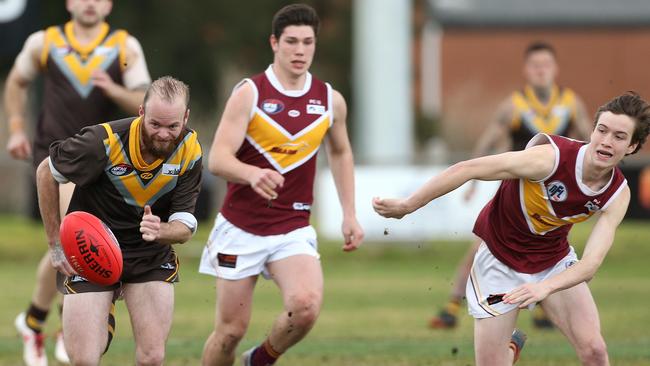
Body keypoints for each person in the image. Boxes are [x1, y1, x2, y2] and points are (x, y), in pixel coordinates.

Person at [374, 92, 650, 365]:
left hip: (553, 262)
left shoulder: (617, 194)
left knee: (595, 352)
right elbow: (468, 168)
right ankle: (510, 348)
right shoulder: (548, 159)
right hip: (499, 260)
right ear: (592, 130)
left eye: (619, 136)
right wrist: (408, 205)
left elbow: (590, 264)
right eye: (602, 130)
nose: (605, 141)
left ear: (632, 148)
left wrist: (544, 288)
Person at [198, 4, 364, 366]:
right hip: (240, 227)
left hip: (292, 227)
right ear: (274, 43)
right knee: (229, 332)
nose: (300, 50)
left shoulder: (330, 100)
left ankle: (259, 359)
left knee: (305, 306)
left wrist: (349, 213)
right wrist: (252, 173)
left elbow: (341, 153)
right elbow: (218, 159)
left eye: (308, 42)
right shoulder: (250, 93)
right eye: (291, 41)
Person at [4, 0, 151, 364]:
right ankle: (95, 315)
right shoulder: (46, 41)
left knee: (63, 245)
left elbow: (144, 101)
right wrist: (17, 128)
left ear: (109, 4)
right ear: (70, 3)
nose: (90, 3)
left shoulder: (124, 46)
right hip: (53, 154)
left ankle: (35, 320)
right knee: (79, 229)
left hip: (101, 156)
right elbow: (17, 82)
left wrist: (113, 90)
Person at [35, 76, 201, 365]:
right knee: (85, 359)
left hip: (148, 256)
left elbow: (184, 228)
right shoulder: (103, 141)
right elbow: (46, 172)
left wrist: (161, 230)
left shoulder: (190, 151)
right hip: (91, 252)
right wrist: (55, 244)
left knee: (152, 358)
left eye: (173, 126)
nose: (164, 134)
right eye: (155, 124)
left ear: (185, 117)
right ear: (141, 113)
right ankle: (105, 303)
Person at [430, 41, 592, 330]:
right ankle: (452, 305)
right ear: (526, 71)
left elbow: (588, 143)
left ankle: (544, 307)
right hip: (516, 194)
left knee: (554, 249)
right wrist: (471, 182)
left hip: (555, 197)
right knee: (482, 245)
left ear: (555, 69)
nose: (541, 71)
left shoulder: (571, 103)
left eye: (545, 65)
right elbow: (490, 141)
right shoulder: (515, 105)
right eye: (535, 66)